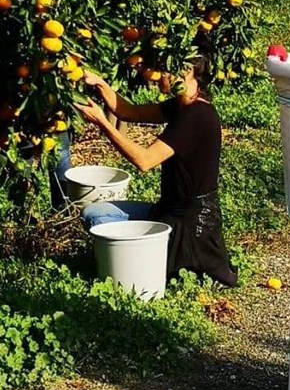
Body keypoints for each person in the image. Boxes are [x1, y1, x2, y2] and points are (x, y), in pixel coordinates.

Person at [74, 56, 237, 288]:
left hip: (190, 226)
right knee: (97, 214)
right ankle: (139, 255)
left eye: (164, 70)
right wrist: (98, 83)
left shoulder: (196, 116)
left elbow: (144, 160)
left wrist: (102, 123)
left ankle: (150, 265)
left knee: (101, 222)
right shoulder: (181, 105)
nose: (157, 76)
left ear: (187, 71)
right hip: (167, 211)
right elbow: (128, 112)